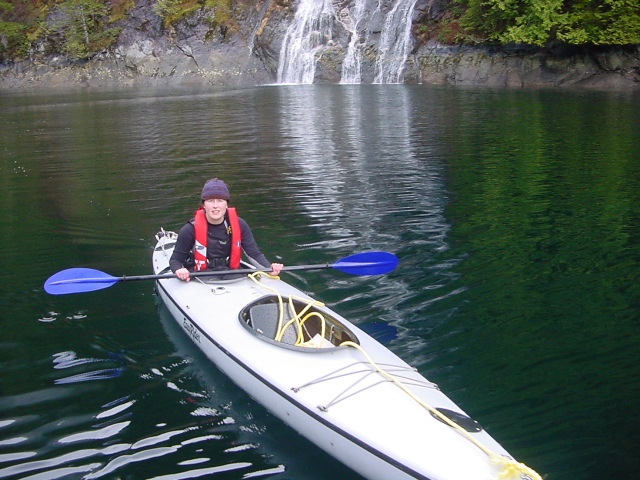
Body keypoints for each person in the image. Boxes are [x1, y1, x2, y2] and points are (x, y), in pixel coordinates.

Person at [170, 178, 284, 282]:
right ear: (203, 205)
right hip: (200, 276)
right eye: (210, 200)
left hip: (231, 273)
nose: (215, 205)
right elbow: (175, 260)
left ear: (226, 204)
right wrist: (179, 270)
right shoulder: (189, 229)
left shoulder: (240, 224)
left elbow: (253, 253)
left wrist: (269, 268)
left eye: (220, 200)